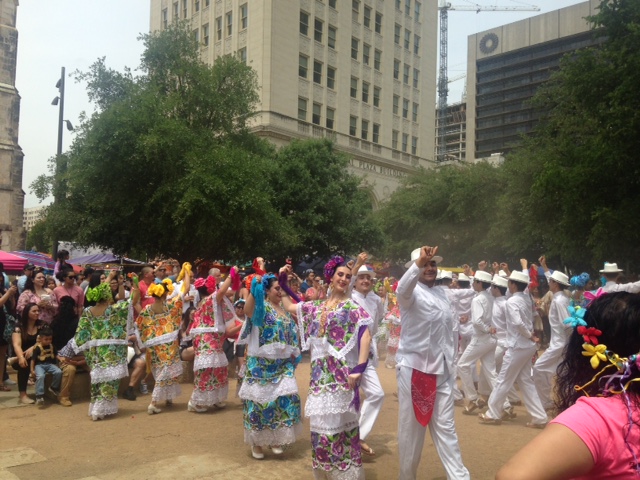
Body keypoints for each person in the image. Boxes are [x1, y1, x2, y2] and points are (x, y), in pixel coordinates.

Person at [497, 292, 640, 479]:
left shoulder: (598, 418)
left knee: (517, 376)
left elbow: (512, 476)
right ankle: (535, 413)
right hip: (530, 343)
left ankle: (514, 411)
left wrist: (530, 336)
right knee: (524, 378)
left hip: (528, 343)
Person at [280, 258, 371, 479]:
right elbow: (290, 306)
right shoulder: (316, 306)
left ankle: (344, 475)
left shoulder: (351, 307)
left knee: (341, 429)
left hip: (341, 377)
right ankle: (326, 474)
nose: (345, 279)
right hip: (319, 380)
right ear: (331, 276)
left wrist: (358, 368)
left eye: (349, 276)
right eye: (341, 275)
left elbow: (365, 335)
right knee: (321, 430)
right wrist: (282, 279)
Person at [395, 246, 470, 480]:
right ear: (415, 268)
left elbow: (449, 331)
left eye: (433, 264)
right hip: (415, 371)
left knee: (447, 430)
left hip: (443, 372)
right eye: (425, 264)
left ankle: (459, 477)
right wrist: (418, 264)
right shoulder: (410, 293)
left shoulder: (442, 293)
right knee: (412, 434)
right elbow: (402, 288)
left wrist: (451, 364)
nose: (430, 268)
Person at [238, 272, 302, 460]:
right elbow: (248, 311)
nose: (280, 291)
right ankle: (256, 443)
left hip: (282, 365)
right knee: (259, 404)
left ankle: (276, 438)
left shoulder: (284, 308)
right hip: (261, 365)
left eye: (281, 288)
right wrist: (253, 289)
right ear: (267, 290)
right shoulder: (261, 307)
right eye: (276, 288)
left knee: (286, 399)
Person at [479, 269, 548, 428]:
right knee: (525, 381)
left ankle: (493, 413)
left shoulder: (512, 301)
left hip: (517, 346)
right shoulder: (526, 298)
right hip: (526, 346)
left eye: (509, 282)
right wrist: (530, 336)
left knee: (503, 379)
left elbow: (517, 323)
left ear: (513, 284)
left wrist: (529, 335)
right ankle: (539, 417)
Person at [71, 272, 131, 420]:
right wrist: (130, 284)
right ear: (107, 295)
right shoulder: (113, 310)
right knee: (110, 380)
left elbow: (81, 333)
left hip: (95, 351)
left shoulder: (87, 312)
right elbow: (129, 302)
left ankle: (96, 407)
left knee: (97, 379)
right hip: (110, 351)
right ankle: (100, 410)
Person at [134, 271, 187, 415]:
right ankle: (153, 402)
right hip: (168, 343)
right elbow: (184, 290)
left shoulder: (147, 310)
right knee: (165, 370)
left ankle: (168, 398)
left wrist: (145, 340)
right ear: (164, 295)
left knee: (160, 370)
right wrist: (186, 272)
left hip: (153, 344)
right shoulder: (170, 307)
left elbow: (139, 324)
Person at [350, 254, 385, 456]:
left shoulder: (375, 300)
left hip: (366, 356)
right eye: (361, 277)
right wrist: (357, 265)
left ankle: (359, 435)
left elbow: (376, 324)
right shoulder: (347, 295)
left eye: (368, 278)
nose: (365, 281)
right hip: (346, 354)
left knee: (377, 393)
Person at [458, 270, 503, 415]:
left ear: (479, 283)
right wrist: (489, 329)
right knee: (490, 372)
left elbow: (477, 321)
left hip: (481, 338)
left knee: (462, 365)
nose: (473, 283)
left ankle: (472, 398)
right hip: (490, 339)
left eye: (475, 281)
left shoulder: (478, 299)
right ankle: (505, 405)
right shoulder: (490, 297)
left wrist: (487, 329)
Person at [186, 272, 231, 413]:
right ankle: (195, 401)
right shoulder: (209, 300)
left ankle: (214, 398)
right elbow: (224, 290)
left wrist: (235, 280)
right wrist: (231, 274)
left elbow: (229, 291)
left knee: (217, 368)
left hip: (213, 338)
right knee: (206, 369)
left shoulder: (208, 300)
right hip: (206, 339)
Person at [532, 269, 571, 411]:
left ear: (555, 284)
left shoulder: (559, 301)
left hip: (559, 344)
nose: (548, 283)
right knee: (564, 372)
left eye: (550, 281)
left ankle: (545, 402)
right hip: (562, 343)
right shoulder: (563, 298)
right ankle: (564, 401)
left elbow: (567, 323)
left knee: (539, 368)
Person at [12, 303, 45, 404]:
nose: (37, 313)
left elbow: (46, 340)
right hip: (23, 355)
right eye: (34, 311)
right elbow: (16, 344)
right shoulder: (19, 326)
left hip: (40, 354)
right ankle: (23, 395)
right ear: (27, 313)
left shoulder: (42, 325)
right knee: (23, 364)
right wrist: (21, 357)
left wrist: (33, 347)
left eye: (38, 311)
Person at [30, 325, 62, 407]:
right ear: (41, 339)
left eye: (50, 339)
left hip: (50, 364)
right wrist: (32, 370)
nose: (48, 341)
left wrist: (60, 359)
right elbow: (33, 359)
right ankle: (39, 395)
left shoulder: (52, 346)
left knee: (58, 372)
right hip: (39, 365)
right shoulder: (37, 348)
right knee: (40, 376)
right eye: (46, 339)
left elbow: (55, 355)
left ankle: (53, 387)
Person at [56, 337, 88, 407]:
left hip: (85, 359)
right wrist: (81, 359)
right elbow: (66, 359)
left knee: (96, 369)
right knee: (70, 369)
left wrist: (80, 362)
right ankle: (63, 396)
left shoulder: (95, 340)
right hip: (66, 358)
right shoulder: (73, 342)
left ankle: (100, 393)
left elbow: (94, 357)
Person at [0, 282, 18, 392]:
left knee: (2, 355)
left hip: (3, 326)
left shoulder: (3, 290)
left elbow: (11, 307)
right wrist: (8, 294)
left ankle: (0, 382)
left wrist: (11, 296)